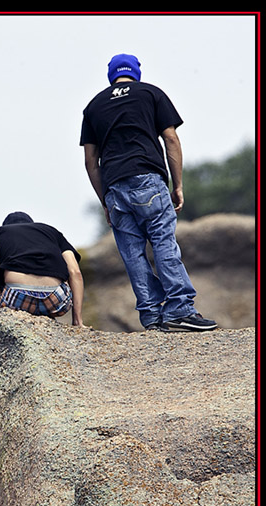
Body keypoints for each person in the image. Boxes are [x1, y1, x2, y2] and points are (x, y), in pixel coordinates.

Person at [79, 53, 217, 332]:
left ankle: (152, 316)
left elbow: (90, 161)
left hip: (115, 187)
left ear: (111, 75)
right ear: (136, 72)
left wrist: (105, 199)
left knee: (132, 253)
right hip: (148, 180)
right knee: (163, 242)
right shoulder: (151, 93)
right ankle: (179, 308)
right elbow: (171, 138)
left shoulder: (93, 107)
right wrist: (177, 184)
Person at [0, 211, 84, 327]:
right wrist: (77, 319)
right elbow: (75, 272)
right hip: (56, 299)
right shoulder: (51, 232)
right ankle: (74, 321)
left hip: (16, 295)